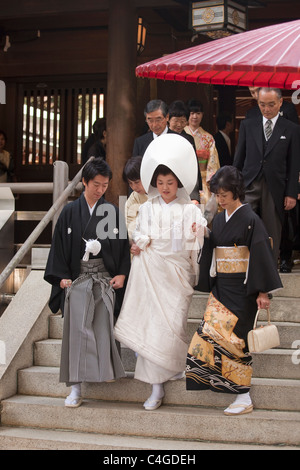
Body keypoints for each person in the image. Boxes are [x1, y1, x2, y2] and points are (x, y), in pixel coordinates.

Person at [114, 134, 207, 411]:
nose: (165, 187)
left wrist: (199, 231)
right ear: (154, 184)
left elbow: (198, 242)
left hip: (177, 276)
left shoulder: (190, 210)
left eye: (170, 183)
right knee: (153, 328)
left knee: (174, 325)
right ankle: (155, 388)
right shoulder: (147, 208)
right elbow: (138, 235)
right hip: (151, 273)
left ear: (178, 183)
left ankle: (176, 365)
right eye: (161, 183)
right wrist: (138, 244)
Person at [186, 166, 283, 416]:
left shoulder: (251, 219)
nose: (220, 200)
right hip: (222, 288)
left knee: (237, 342)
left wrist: (262, 292)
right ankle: (223, 384)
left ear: (237, 192)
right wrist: (205, 234)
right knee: (206, 335)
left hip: (243, 290)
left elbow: (261, 253)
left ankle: (243, 395)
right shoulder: (219, 218)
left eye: (224, 195)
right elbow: (216, 244)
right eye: (217, 195)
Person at [44, 158, 131, 408]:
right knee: (77, 331)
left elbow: (123, 249)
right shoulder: (70, 212)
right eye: (96, 184)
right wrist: (61, 278)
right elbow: (59, 246)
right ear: (84, 182)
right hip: (78, 279)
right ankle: (75, 388)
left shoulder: (111, 212)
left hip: (104, 278)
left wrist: (122, 274)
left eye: (105, 185)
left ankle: (105, 373)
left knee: (104, 329)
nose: (100, 190)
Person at [234, 87, 300, 265]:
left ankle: (267, 279)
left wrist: (292, 193)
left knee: (272, 231)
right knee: (243, 225)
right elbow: (239, 158)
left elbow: (294, 164)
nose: (267, 109)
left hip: (276, 186)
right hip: (249, 183)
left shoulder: (291, 128)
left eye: (271, 104)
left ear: (280, 103)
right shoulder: (248, 124)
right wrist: (234, 187)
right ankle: (243, 271)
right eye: (262, 104)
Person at [184, 99, 220, 208]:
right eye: (192, 113)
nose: (195, 116)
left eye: (198, 113)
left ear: (202, 115)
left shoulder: (208, 138)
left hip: (203, 181)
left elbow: (213, 163)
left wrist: (212, 182)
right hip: (184, 179)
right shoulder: (181, 135)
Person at [168, 100, 202, 203]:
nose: (179, 124)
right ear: (168, 119)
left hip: (185, 186)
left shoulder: (189, 139)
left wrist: (195, 195)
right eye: (176, 121)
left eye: (183, 121)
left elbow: (193, 165)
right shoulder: (163, 137)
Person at [122, 156, 148, 255]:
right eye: (130, 183)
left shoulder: (162, 192)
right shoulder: (133, 199)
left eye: (137, 182)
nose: (134, 187)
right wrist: (133, 243)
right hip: (139, 250)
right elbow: (129, 226)